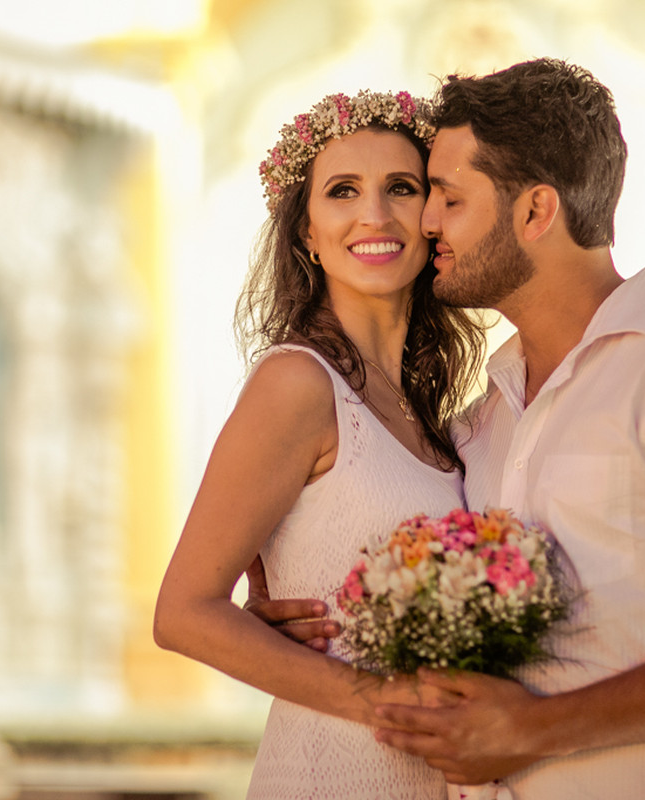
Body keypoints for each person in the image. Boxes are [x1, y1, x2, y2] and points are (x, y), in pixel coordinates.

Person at [253, 59, 645, 798]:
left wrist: (538, 727)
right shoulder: (485, 417)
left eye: (448, 197)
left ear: (535, 213)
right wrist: (285, 585)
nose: (425, 222)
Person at [152, 89, 486, 799]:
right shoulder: (298, 384)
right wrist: (389, 706)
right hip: (331, 773)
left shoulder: (434, 418)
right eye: (342, 191)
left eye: (403, 187)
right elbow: (183, 612)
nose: (376, 214)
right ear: (306, 232)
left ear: (432, 218)